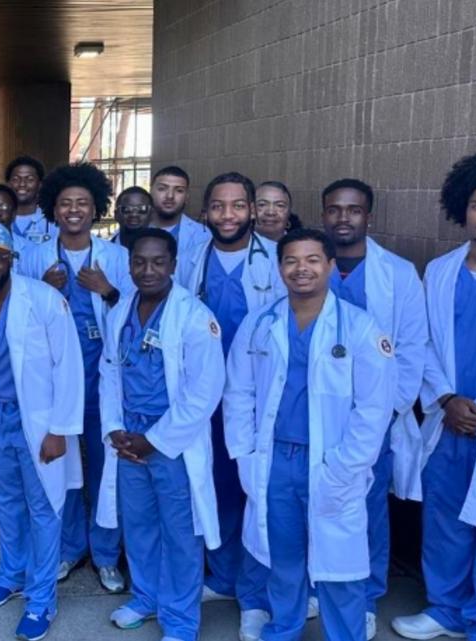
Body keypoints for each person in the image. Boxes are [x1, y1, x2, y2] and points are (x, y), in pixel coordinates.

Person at [224, 228, 395, 641]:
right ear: (280, 267)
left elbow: (373, 409)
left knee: (341, 566)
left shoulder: (359, 328)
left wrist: (345, 466)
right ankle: (283, 629)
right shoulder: (260, 323)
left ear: (331, 266)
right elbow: (238, 393)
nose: (302, 269)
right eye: (291, 261)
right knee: (282, 558)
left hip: (333, 461)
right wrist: (245, 454)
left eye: (313, 260)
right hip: (274, 458)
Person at [392, 148, 476, 641]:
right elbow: (420, 343)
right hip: (447, 419)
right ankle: (444, 609)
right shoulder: (440, 270)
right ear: (462, 208)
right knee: (444, 516)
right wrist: (447, 399)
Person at [0, 222, 84, 641]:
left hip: (41, 419)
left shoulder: (43, 300)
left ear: (11, 259)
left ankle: (42, 598)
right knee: (4, 500)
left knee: (44, 505)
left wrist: (59, 429)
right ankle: (11, 574)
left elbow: (69, 367)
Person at [95, 227, 225, 640]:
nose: (147, 270)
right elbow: (108, 372)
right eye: (139, 261)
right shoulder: (120, 311)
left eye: (157, 262)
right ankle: (146, 598)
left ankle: (181, 620)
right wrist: (115, 428)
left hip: (172, 443)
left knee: (181, 533)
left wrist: (153, 440)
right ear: (129, 264)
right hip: (129, 437)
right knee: (139, 526)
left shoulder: (194, 316)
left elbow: (204, 393)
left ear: (173, 265)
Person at [174, 172, 285, 641]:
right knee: (214, 486)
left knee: (258, 493)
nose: (228, 215)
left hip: (260, 398)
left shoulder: (280, 259)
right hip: (205, 397)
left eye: (238, 206)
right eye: (218, 207)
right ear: (205, 213)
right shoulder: (191, 258)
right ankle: (222, 578)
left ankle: (256, 598)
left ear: (253, 211)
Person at [319, 178, 428, 639]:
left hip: (373, 418)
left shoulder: (397, 273)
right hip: (312, 414)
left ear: (370, 216)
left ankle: (363, 597)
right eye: (335, 210)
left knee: (365, 508)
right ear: (323, 214)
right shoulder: (306, 263)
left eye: (354, 210)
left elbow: (411, 348)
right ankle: (319, 588)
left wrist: (385, 415)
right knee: (314, 503)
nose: (344, 218)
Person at [18, 163, 131, 592]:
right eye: (65, 203)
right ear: (52, 208)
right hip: (56, 383)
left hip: (104, 381)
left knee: (106, 469)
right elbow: (20, 322)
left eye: (82, 203)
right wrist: (43, 287)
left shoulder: (116, 258)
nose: (73, 210)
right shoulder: (34, 257)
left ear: (97, 208)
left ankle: (105, 555)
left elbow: (134, 316)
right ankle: (69, 549)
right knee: (61, 467)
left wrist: (108, 291)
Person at [149, 166, 209, 257]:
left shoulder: (204, 236)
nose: (170, 196)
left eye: (179, 190)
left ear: (187, 197)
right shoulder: (128, 232)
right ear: (151, 192)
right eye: (162, 188)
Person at [5, 156, 55, 244]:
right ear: (8, 184)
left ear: (40, 184)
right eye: (16, 179)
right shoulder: (0, 220)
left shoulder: (52, 222)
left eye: (30, 179)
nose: (22, 184)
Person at [111, 186, 152, 251]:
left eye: (142, 209)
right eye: (126, 209)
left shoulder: (165, 252)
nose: (134, 214)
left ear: (152, 214)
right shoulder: (101, 254)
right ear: (116, 215)